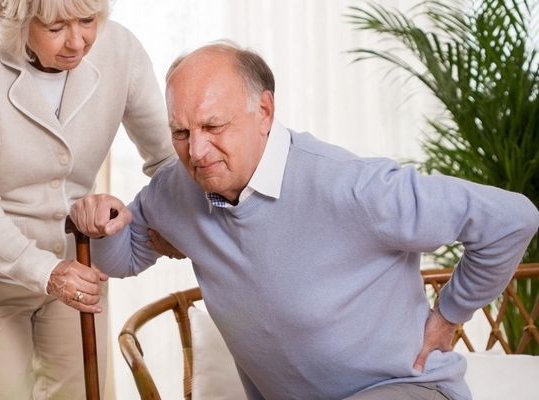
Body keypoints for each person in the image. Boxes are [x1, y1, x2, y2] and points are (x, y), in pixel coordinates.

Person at [70, 41, 539, 400]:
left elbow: (511, 219)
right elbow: (122, 258)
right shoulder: (178, 187)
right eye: (180, 132)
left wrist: (452, 311)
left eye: (213, 126)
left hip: (406, 388)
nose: (196, 151)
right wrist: (103, 223)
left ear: (264, 112)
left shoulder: (354, 187)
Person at [0, 0, 177, 398]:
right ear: (19, 21)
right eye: (55, 28)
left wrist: (177, 227)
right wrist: (47, 272)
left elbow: (167, 158)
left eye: (87, 20)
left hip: (76, 260)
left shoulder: (121, 51)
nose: (77, 41)